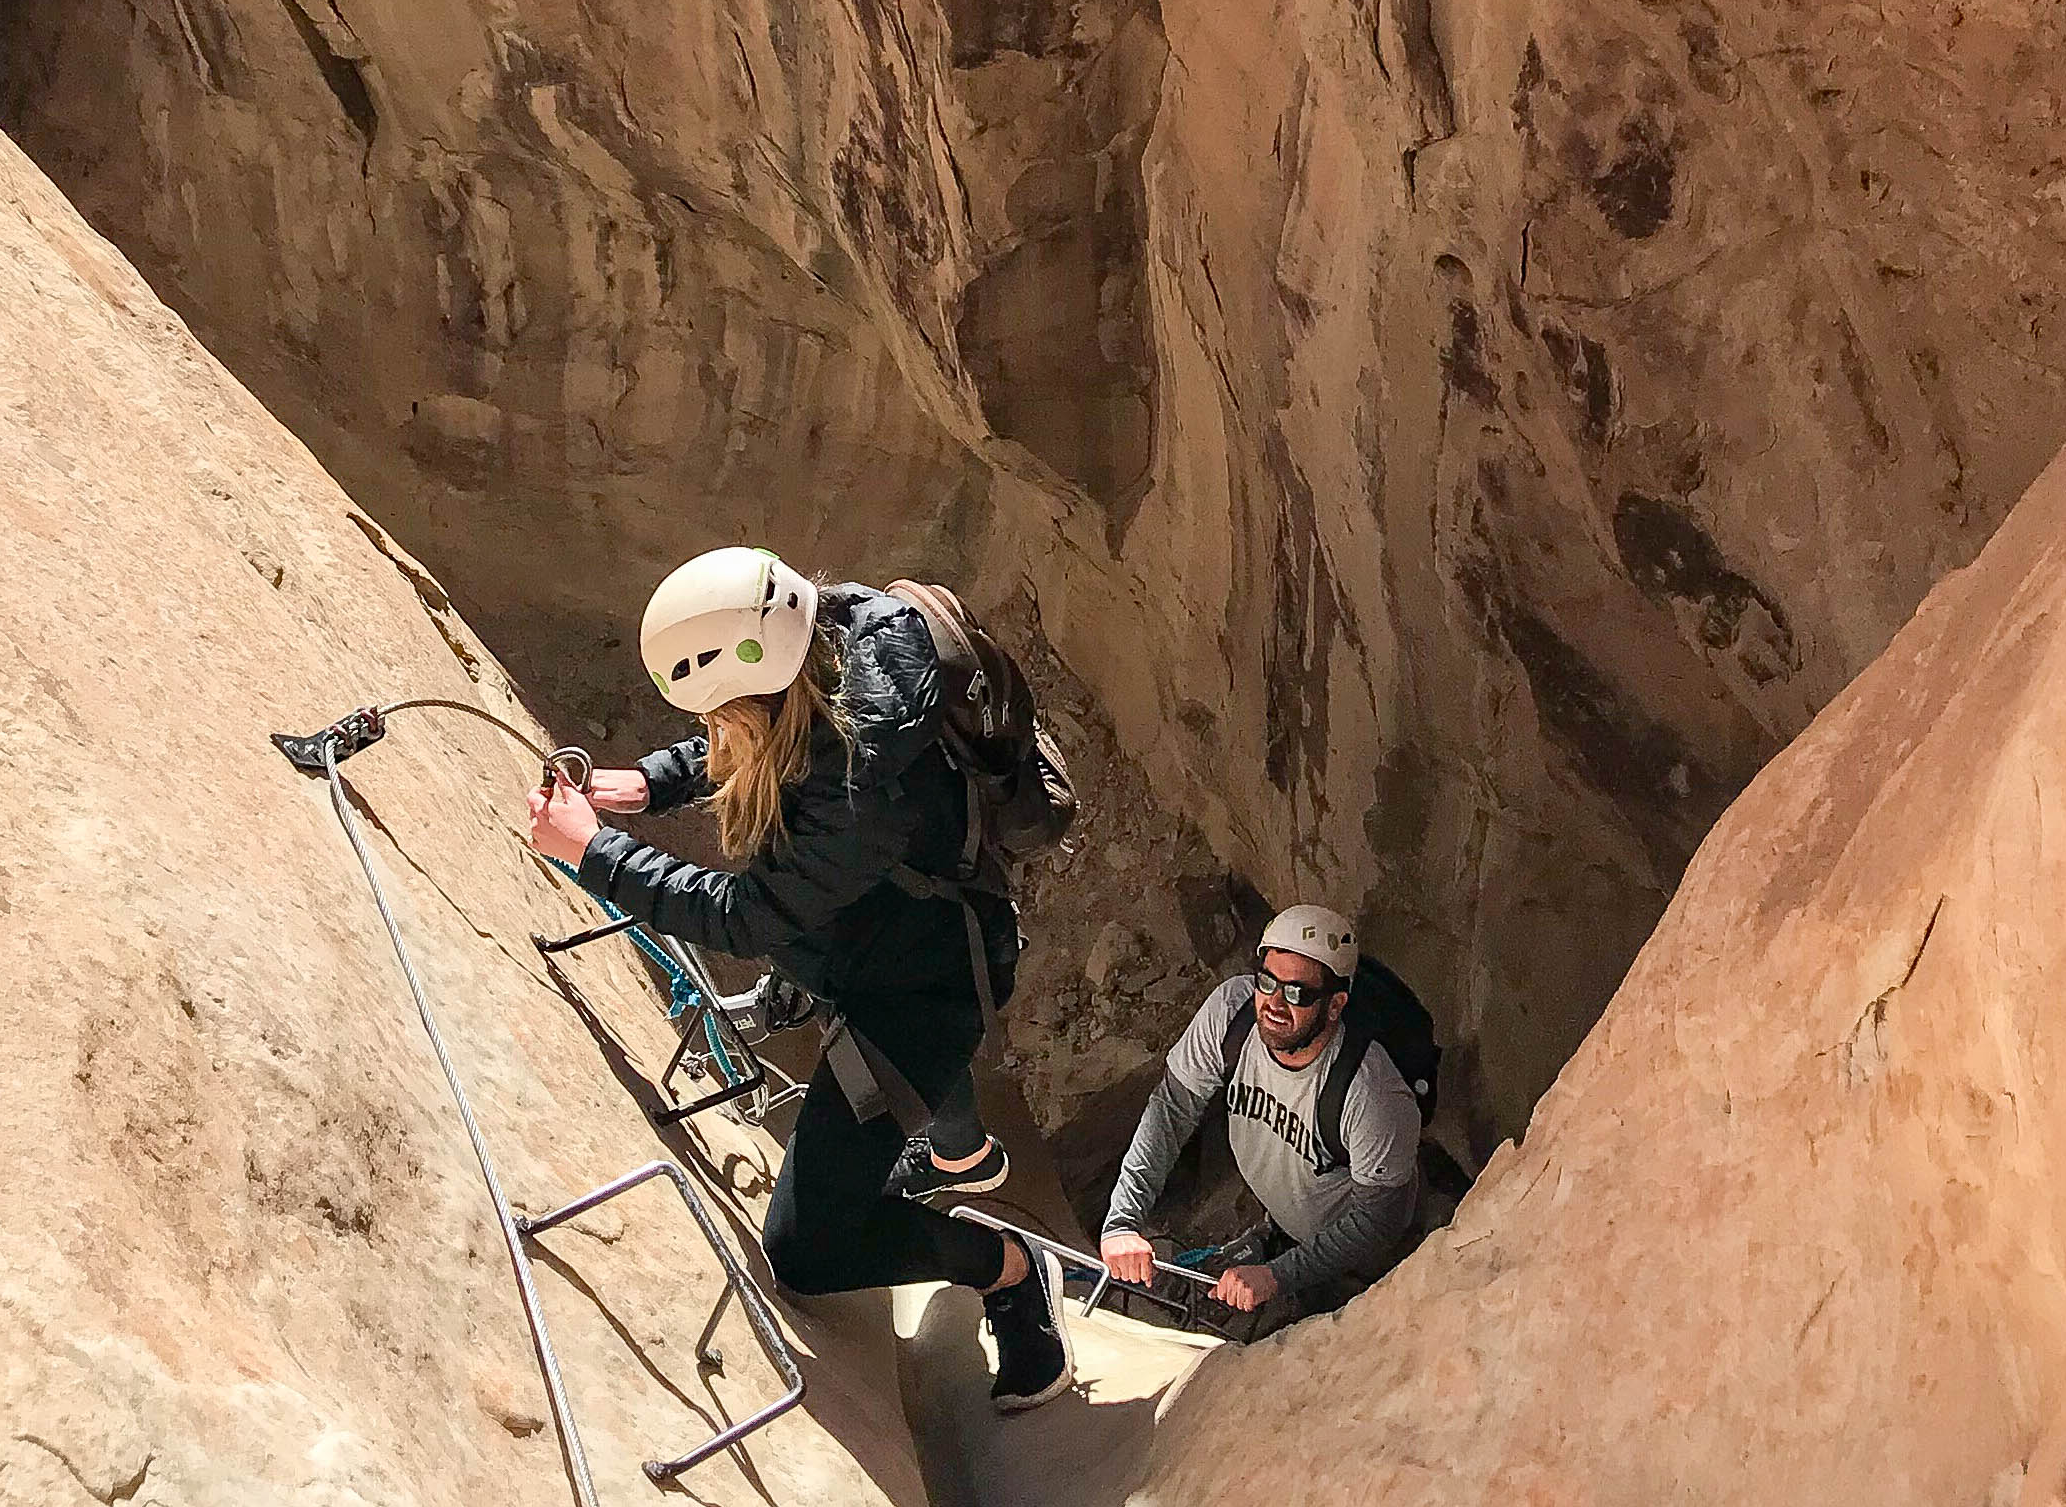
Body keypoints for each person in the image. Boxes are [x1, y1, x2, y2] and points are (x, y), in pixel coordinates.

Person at [525, 547, 1072, 1411]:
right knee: (918, 1092)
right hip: (888, 942)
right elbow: (768, 734)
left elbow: (743, 918)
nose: (709, 731)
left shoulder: (860, 788)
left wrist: (594, 853)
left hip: (915, 992)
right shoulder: (834, 628)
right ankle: (960, 1151)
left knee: (808, 1246)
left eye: (715, 714)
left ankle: (1008, 1270)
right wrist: (649, 784)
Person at [1099, 905, 1421, 1336]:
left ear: (1334, 1006)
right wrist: (1123, 1219)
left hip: (1363, 1261)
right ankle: (1273, 1243)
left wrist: (1277, 1276)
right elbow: (1171, 1111)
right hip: (1290, 1219)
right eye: (1267, 982)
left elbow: (1378, 1222)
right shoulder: (1231, 1016)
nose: (1274, 1004)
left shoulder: (1370, 1094)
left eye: (1297, 993)